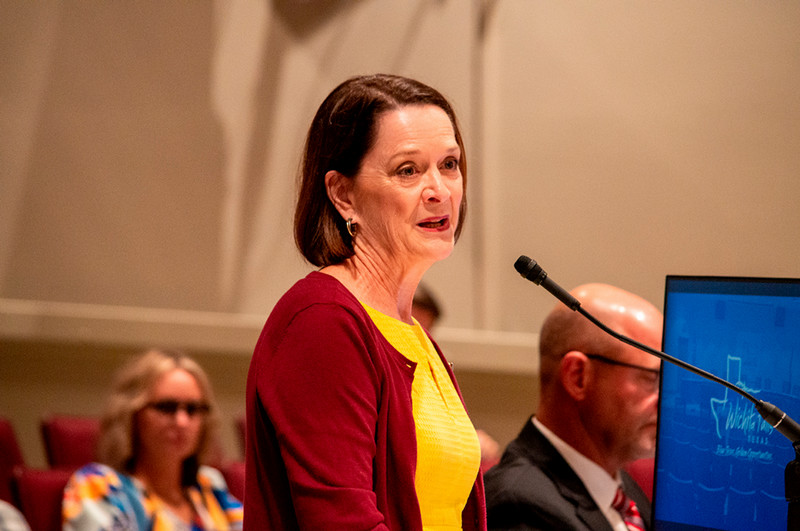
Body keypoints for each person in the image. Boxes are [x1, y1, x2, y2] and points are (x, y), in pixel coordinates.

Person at [244, 74, 486, 530]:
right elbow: (342, 521)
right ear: (342, 193)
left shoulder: (414, 334)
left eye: (449, 164)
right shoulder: (323, 323)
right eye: (408, 171)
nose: (439, 190)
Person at [484, 283, 663, 531]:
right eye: (652, 377)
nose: (665, 399)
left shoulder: (620, 487)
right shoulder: (519, 507)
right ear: (578, 376)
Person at [63, 348, 243, 530]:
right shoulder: (100, 487)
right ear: (131, 414)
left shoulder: (209, 486)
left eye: (192, 409)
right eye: (166, 407)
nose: (182, 422)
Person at [412, 283, 502, 474]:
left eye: (425, 332)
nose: (417, 339)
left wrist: (471, 439)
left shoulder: (432, 371)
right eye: (410, 326)